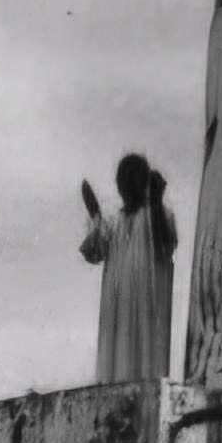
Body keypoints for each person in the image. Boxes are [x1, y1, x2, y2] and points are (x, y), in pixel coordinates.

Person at [79, 153, 178, 383]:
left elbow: (165, 243)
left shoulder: (160, 214)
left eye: (133, 179)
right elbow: (92, 253)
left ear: (143, 183)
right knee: (116, 365)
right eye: (123, 180)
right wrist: (95, 215)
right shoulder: (114, 223)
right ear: (118, 186)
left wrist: (156, 202)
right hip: (118, 308)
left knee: (146, 365)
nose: (127, 186)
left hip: (148, 305)